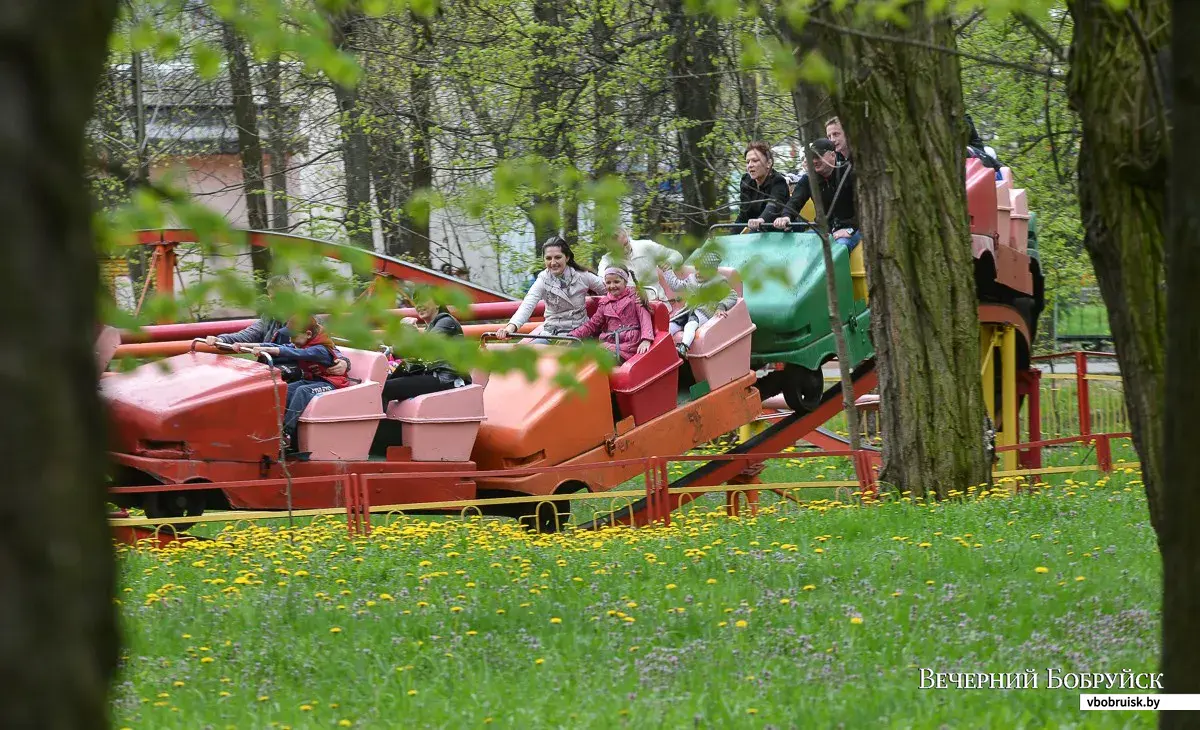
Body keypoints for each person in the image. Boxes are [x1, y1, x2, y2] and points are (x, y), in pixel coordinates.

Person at [372, 292, 471, 454]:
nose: (419, 305)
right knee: (383, 382)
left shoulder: (446, 322)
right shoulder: (431, 327)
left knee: (385, 388)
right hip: (432, 375)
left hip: (447, 378)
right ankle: (388, 443)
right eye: (416, 302)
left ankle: (381, 447)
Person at [207, 274, 349, 378]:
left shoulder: (308, 320)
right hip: (270, 366)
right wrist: (221, 339)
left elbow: (329, 347)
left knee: (266, 378)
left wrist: (344, 362)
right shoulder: (269, 318)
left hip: (296, 370)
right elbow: (247, 334)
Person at [248, 316, 350, 452]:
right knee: (285, 389)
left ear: (308, 334)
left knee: (302, 391)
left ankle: (287, 434)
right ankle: (270, 429)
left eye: (293, 337)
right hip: (312, 380)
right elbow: (279, 346)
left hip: (331, 383)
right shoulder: (303, 342)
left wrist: (268, 351)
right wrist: (248, 346)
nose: (290, 340)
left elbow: (294, 353)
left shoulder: (320, 349)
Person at [496, 236, 605, 343]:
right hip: (550, 333)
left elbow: (609, 289)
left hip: (578, 333)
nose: (553, 263)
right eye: (548, 258)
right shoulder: (543, 280)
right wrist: (510, 328)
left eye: (557, 257)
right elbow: (527, 304)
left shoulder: (582, 276)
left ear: (567, 257)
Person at [761, 139, 859, 246]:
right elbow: (795, 201)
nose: (814, 161)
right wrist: (786, 216)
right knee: (802, 244)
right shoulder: (808, 179)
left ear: (832, 155)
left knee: (839, 248)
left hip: (853, 229)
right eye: (811, 157)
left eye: (818, 156)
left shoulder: (849, 173)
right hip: (825, 230)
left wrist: (851, 230)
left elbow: (865, 207)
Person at [658, 252, 738, 358]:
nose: (698, 273)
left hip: (704, 312)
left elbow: (732, 295)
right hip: (688, 310)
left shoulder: (719, 282)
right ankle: (662, 347)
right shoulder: (692, 279)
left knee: (690, 325)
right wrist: (667, 271)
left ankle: (683, 347)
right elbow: (676, 286)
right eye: (698, 269)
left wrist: (721, 306)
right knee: (672, 324)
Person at [567, 267, 654, 363]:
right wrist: (573, 336)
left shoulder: (635, 297)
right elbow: (593, 324)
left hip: (629, 343)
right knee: (583, 355)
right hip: (609, 343)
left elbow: (644, 318)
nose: (612, 286)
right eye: (608, 283)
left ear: (625, 282)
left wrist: (646, 339)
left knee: (599, 359)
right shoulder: (605, 303)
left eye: (616, 282)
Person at [597, 228, 683, 302]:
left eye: (626, 244)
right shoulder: (607, 260)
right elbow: (601, 282)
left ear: (627, 237)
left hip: (658, 302)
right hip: (629, 308)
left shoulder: (645, 246)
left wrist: (670, 262)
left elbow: (676, 255)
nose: (624, 249)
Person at [736, 141, 789, 230]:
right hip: (757, 232)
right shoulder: (746, 181)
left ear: (768, 163)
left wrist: (761, 220)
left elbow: (773, 206)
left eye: (755, 161)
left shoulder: (778, 181)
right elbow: (743, 215)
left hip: (779, 232)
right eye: (747, 162)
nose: (750, 165)